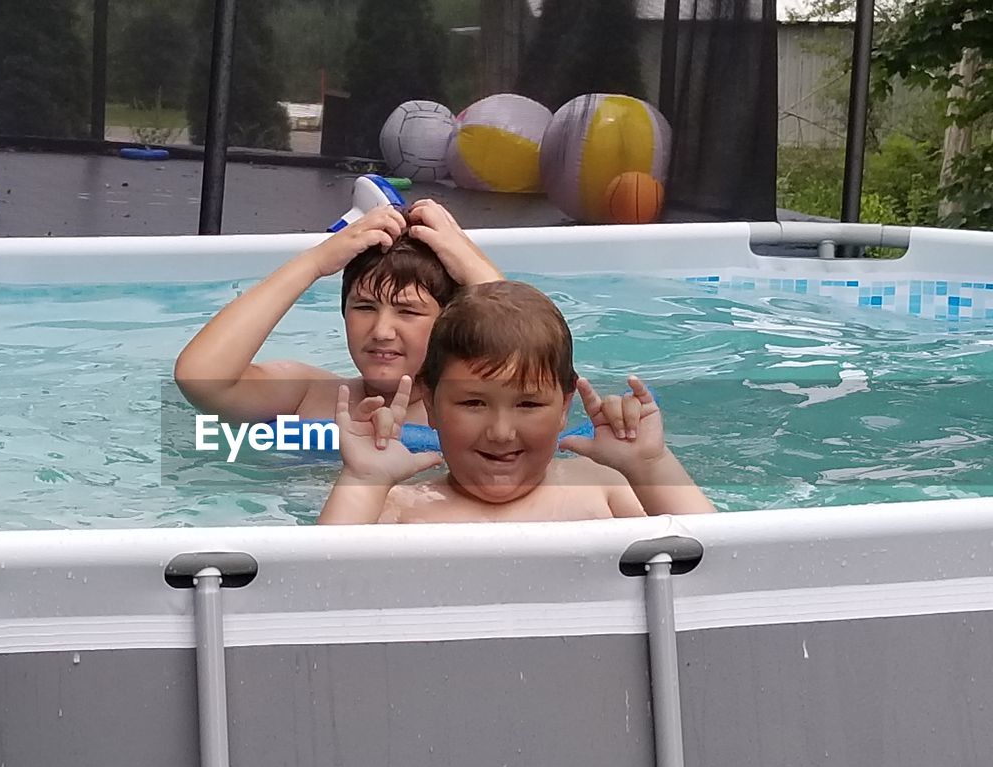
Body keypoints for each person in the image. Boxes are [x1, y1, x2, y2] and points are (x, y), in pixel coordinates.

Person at [317, 280, 716, 524]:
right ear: (432, 407)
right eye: (473, 403)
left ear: (564, 407)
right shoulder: (400, 509)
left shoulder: (603, 488)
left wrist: (649, 466)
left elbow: (720, 565)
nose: (501, 432)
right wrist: (364, 480)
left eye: (527, 405)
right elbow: (312, 596)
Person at [173, 199, 503, 426]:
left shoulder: (474, 406)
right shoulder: (309, 397)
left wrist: (476, 269)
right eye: (364, 307)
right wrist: (313, 263)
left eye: (408, 312)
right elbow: (200, 379)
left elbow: (538, 373)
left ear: (449, 322)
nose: (382, 330)